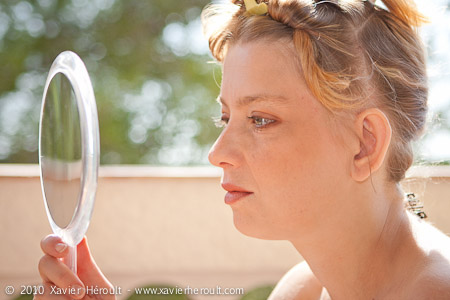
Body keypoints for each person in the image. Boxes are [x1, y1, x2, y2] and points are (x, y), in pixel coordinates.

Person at [36, 0, 450, 299]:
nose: (217, 152)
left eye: (260, 119)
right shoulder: (302, 290)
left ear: (365, 145)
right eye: (225, 117)